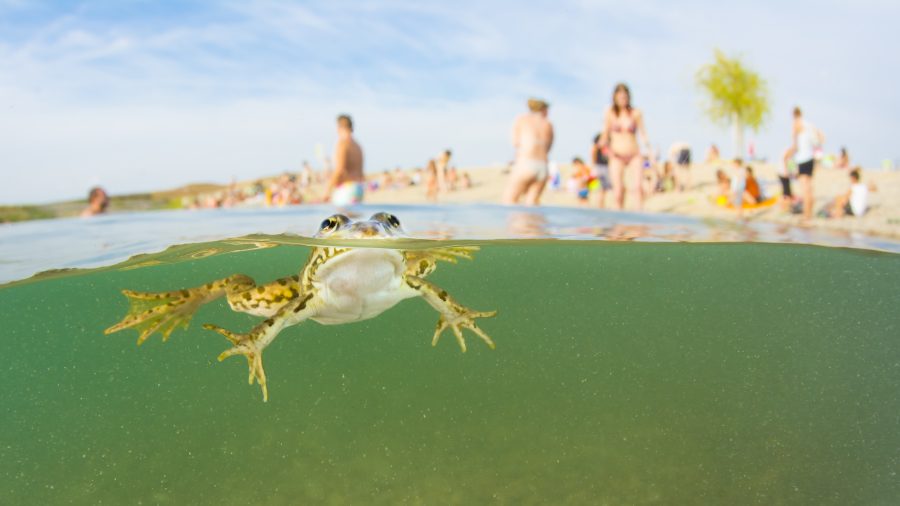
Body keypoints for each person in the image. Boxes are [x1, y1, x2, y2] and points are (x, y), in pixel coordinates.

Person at [599, 83, 651, 210]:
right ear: (615, 97)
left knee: (638, 188)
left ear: (629, 97)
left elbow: (643, 134)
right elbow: (604, 135)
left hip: (634, 154)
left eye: (625, 96)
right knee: (618, 191)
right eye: (620, 96)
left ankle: (639, 219)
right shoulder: (610, 113)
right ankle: (619, 223)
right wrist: (604, 150)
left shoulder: (636, 113)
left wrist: (650, 152)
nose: (623, 99)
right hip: (616, 155)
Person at [504, 98, 554, 205]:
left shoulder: (522, 119)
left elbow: (516, 143)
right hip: (543, 166)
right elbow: (548, 148)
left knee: (510, 200)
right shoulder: (548, 124)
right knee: (532, 202)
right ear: (543, 110)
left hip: (526, 163)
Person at [788, 106, 822, 220]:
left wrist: (791, 157)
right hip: (810, 158)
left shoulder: (796, 124)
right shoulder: (809, 124)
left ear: (793, 115)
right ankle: (810, 213)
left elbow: (795, 143)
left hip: (802, 158)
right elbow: (819, 139)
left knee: (804, 188)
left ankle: (806, 215)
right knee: (809, 187)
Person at [323, 114, 365, 205]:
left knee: (341, 218)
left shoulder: (342, 143)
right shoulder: (358, 146)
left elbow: (340, 170)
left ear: (340, 126)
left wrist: (327, 191)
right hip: (358, 188)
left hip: (346, 189)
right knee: (355, 218)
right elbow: (361, 173)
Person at [590, 132, 612, 208]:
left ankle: (600, 206)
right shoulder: (599, 137)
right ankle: (596, 206)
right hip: (599, 166)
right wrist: (594, 165)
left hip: (606, 166)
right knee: (595, 188)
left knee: (604, 189)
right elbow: (594, 150)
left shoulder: (612, 137)